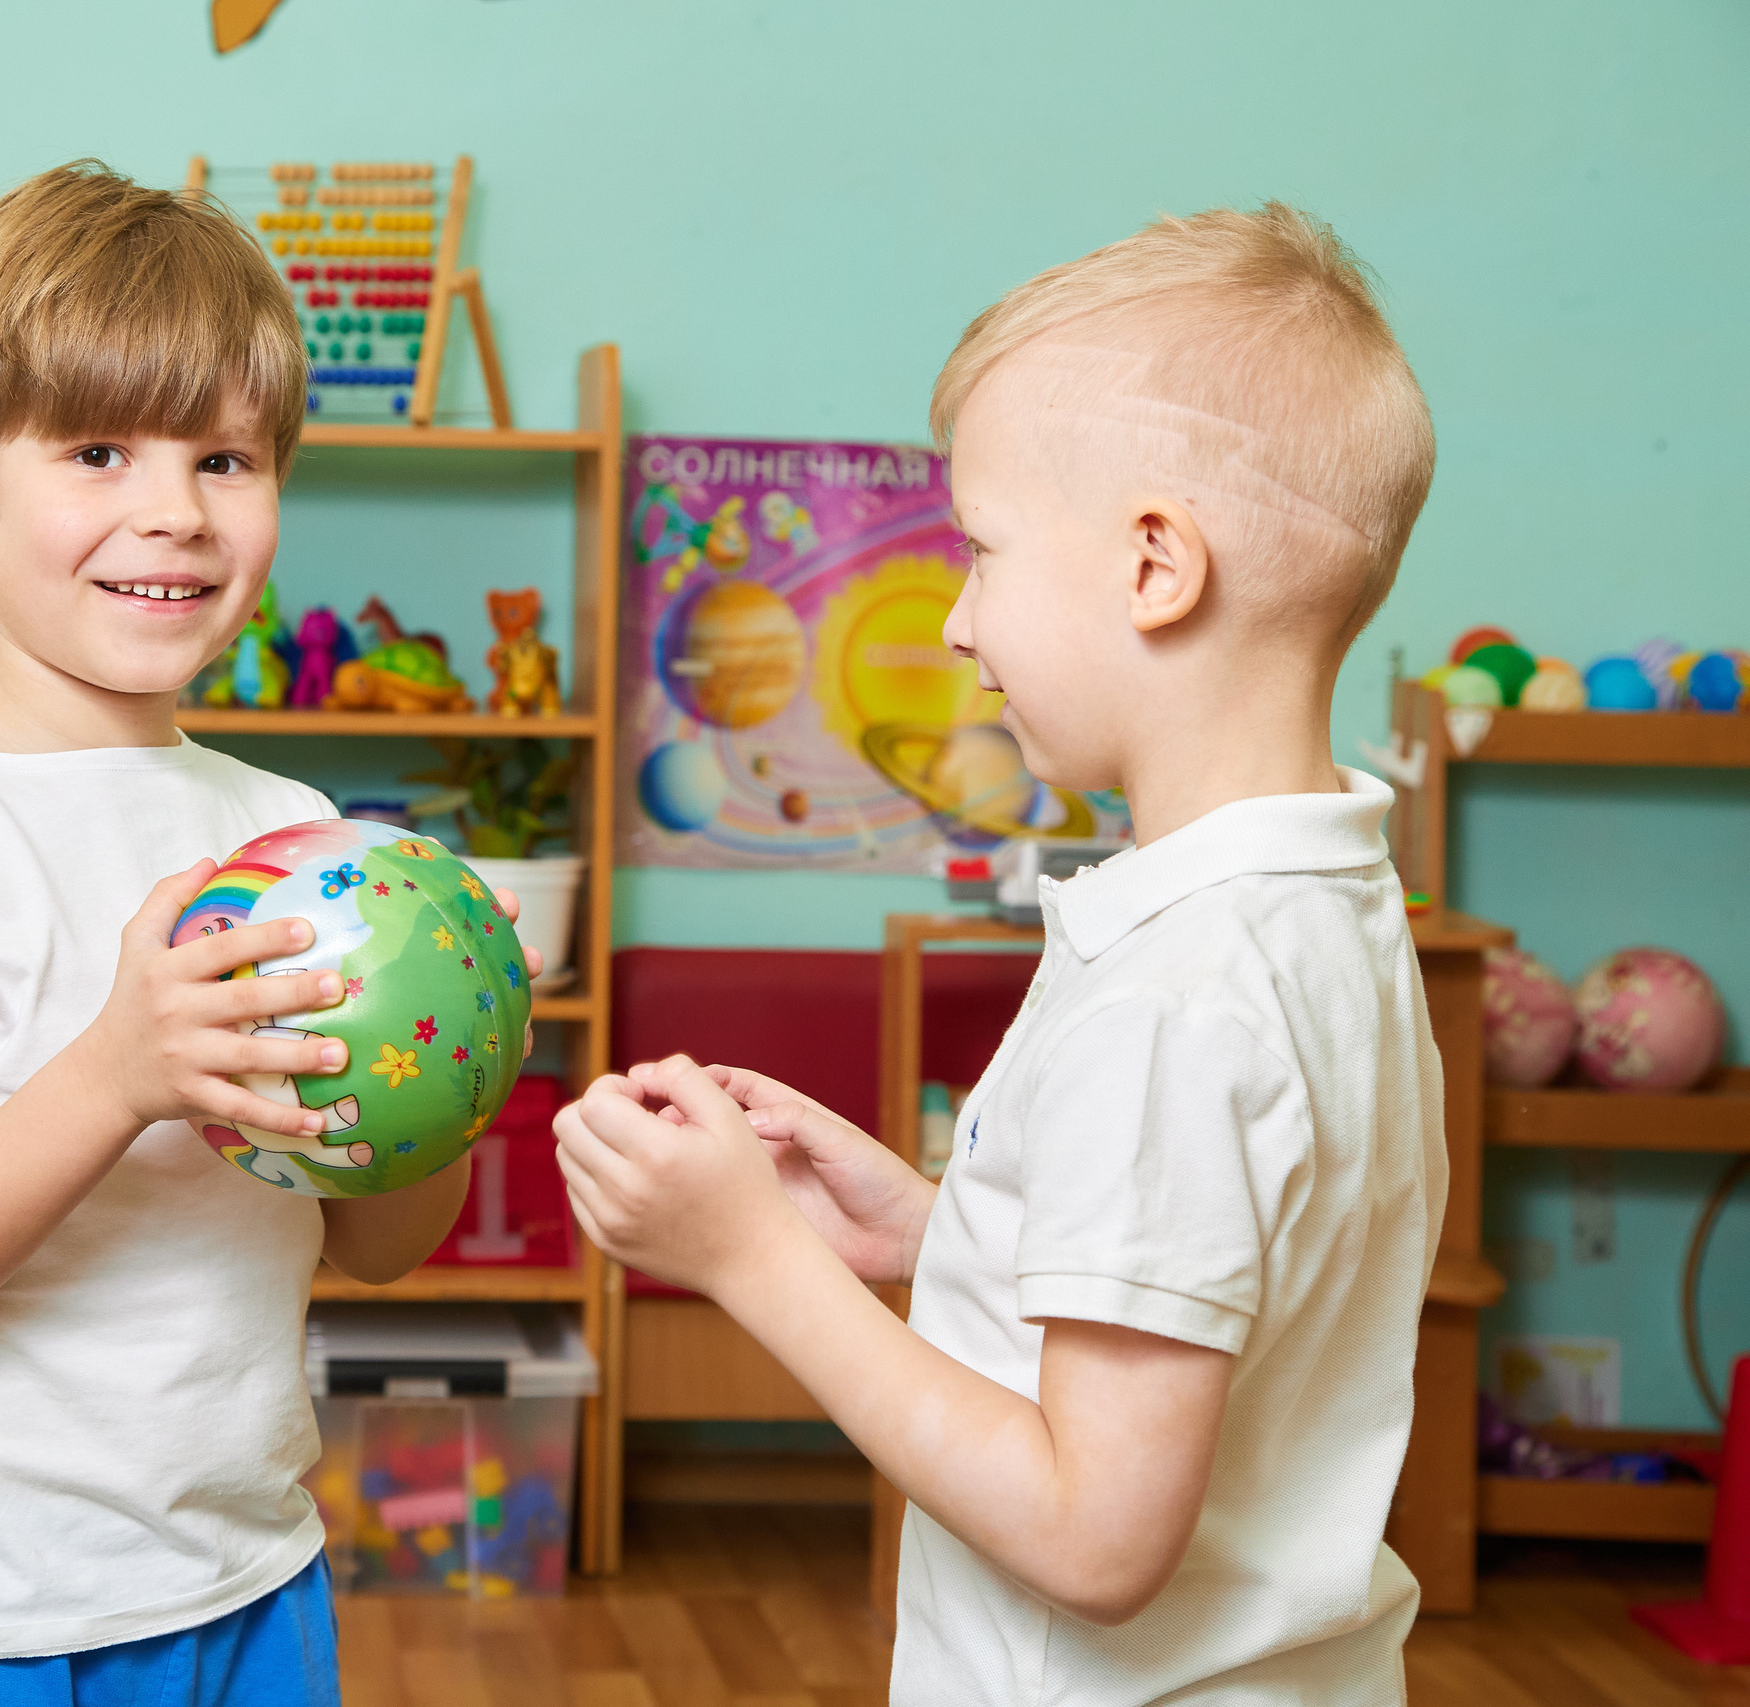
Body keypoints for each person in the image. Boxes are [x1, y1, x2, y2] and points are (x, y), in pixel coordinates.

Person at [555, 203, 1442, 1704]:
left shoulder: (1176, 1000)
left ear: (1156, 566)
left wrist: (753, 1261)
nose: (958, 621)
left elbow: (1096, 1537)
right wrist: (930, 1230)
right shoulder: (1323, 911)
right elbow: (1223, 1263)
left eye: (981, 550)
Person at [0, 161, 479, 1706]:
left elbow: (386, 1243)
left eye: (226, 457)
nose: (174, 512)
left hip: (245, 1574)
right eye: (96, 449)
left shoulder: (295, 837)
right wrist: (116, 1074)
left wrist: (445, 1053)